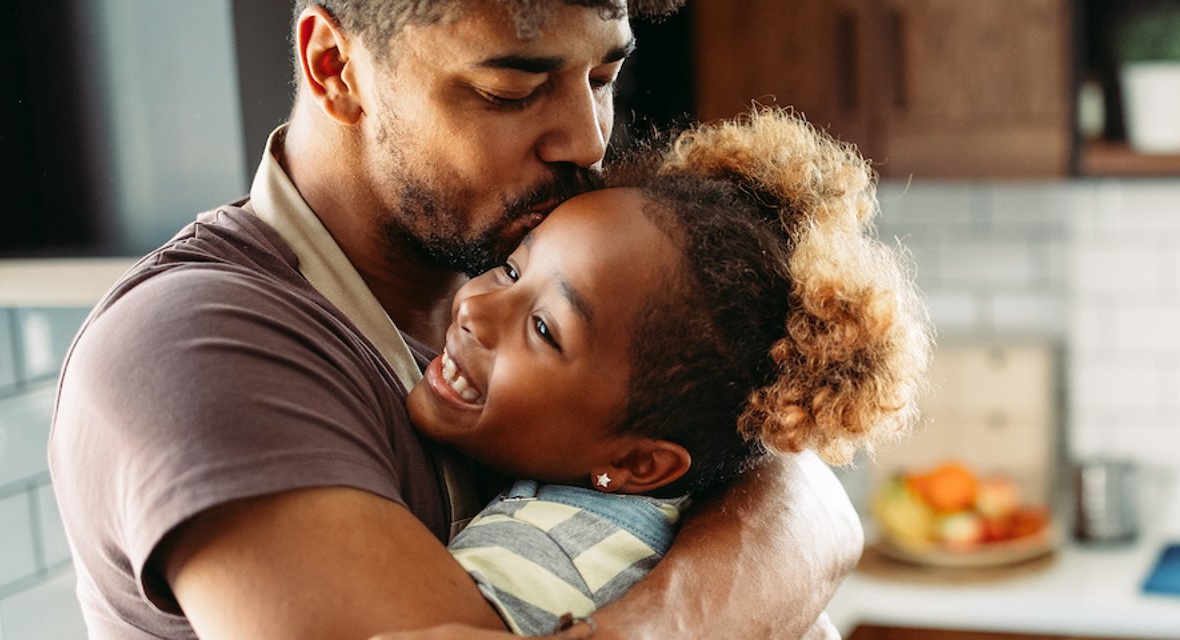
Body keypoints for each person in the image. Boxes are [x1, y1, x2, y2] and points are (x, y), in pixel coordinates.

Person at [47, 2, 864, 638]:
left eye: (604, 78)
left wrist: (639, 630)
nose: (585, 141)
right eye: (510, 90)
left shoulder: (514, 271)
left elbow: (796, 488)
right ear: (335, 68)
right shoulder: (201, 343)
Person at [406, 109, 931, 635]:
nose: (474, 309)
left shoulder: (537, 562)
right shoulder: (672, 521)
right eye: (513, 269)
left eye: (545, 329)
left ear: (638, 462)